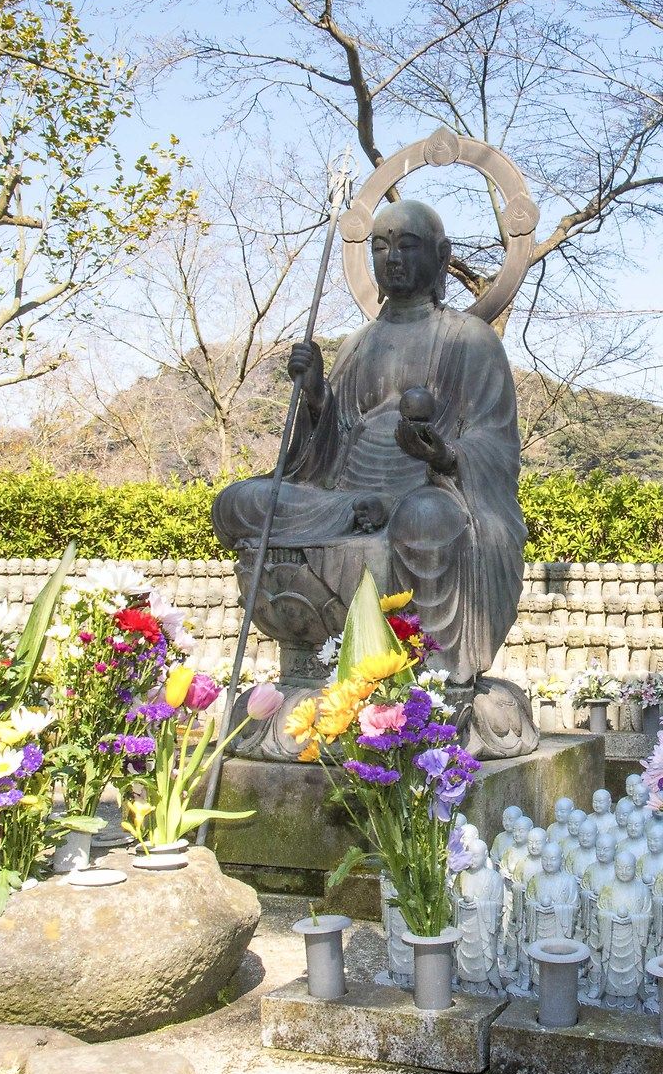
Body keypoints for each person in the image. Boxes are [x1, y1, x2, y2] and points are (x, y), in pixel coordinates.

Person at [213, 200, 530, 753]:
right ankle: (310, 649)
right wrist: (314, 394)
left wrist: (444, 453)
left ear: (442, 255)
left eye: (407, 245)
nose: (392, 259)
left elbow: (495, 443)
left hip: (429, 495)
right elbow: (326, 448)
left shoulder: (469, 340)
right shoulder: (359, 342)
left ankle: (437, 679)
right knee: (239, 503)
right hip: (346, 496)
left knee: (426, 517)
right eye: (379, 248)